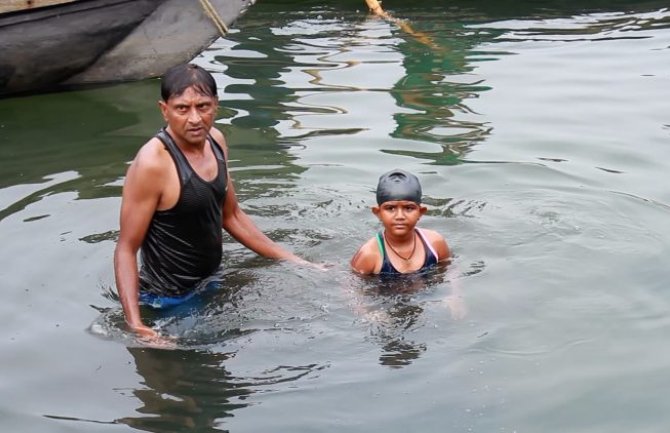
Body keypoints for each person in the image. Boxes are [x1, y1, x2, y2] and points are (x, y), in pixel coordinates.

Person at [114, 63, 309, 342]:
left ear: (216, 105)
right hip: (169, 299)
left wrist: (295, 261)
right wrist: (136, 325)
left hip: (211, 278)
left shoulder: (216, 140)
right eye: (182, 108)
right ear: (164, 109)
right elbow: (126, 248)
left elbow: (231, 215)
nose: (195, 119)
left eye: (203, 106)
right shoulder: (152, 164)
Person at [350, 169, 451, 275]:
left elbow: (451, 279)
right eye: (390, 208)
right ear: (378, 213)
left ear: (420, 212)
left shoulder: (435, 243)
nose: (400, 216)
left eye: (408, 208)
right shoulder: (369, 256)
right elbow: (353, 290)